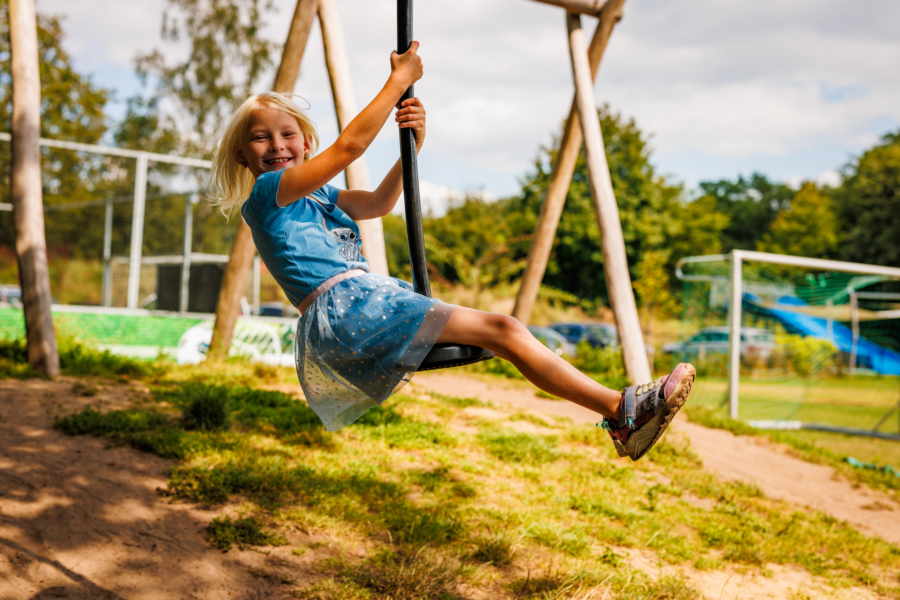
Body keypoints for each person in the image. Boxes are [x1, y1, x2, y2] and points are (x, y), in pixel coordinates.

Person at [209, 42, 695, 461]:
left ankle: (621, 415)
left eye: (287, 134)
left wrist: (412, 150)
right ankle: (623, 410)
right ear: (242, 155)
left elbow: (377, 203)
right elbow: (348, 149)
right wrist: (398, 82)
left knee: (506, 333)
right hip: (349, 311)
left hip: (362, 306)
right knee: (504, 330)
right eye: (261, 137)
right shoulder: (268, 192)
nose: (276, 145)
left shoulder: (317, 195)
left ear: (305, 142)